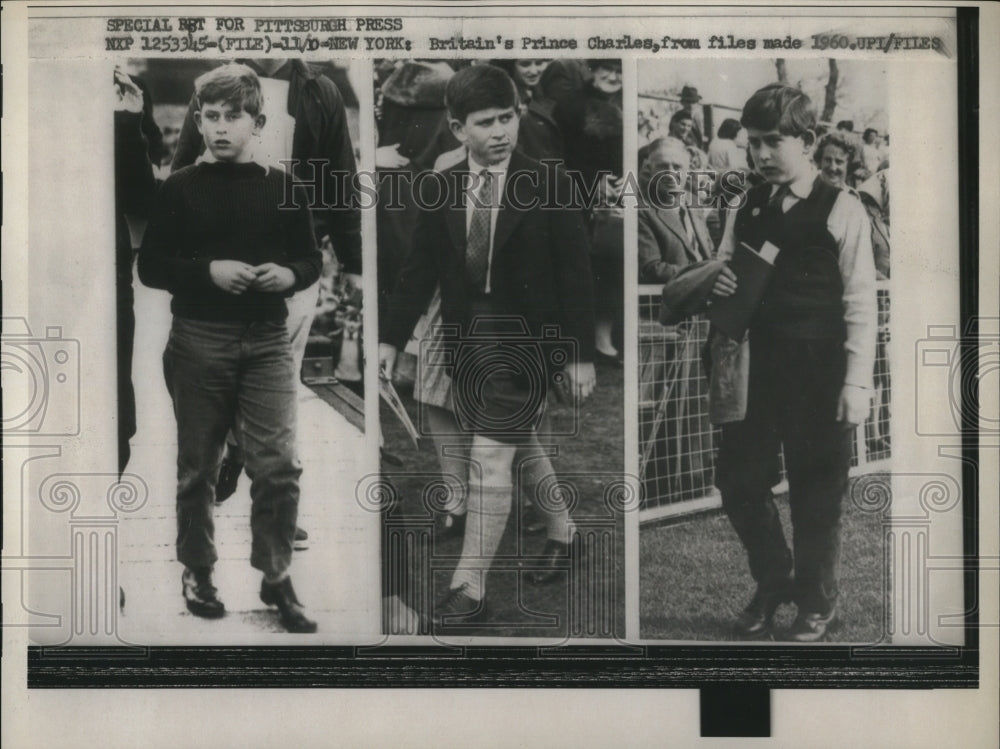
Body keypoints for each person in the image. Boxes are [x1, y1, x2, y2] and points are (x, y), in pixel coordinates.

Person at [378, 64, 596, 629]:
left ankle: (469, 588)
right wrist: (388, 338)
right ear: (456, 128)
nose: (501, 131)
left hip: (528, 340)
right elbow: (417, 269)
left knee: (489, 458)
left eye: (508, 117)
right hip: (463, 334)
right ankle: (564, 534)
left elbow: (577, 276)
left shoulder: (551, 183)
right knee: (516, 444)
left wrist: (578, 354)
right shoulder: (442, 183)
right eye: (485, 122)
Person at [138, 64, 323, 633]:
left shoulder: (283, 187)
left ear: (258, 122)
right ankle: (198, 570)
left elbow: (310, 260)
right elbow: (151, 267)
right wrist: (207, 271)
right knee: (199, 469)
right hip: (199, 341)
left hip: (266, 341)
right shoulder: (180, 187)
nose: (220, 128)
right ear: (198, 119)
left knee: (279, 467)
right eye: (210, 116)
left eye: (232, 116)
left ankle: (275, 575)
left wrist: (288, 276)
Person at [711, 83, 876, 642]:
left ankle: (817, 602)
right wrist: (720, 281)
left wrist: (857, 381)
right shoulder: (746, 203)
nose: (758, 155)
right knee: (737, 482)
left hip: (819, 374)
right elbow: (722, 273)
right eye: (752, 143)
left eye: (771, 142)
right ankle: (775, 577)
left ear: (806, 142)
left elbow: (860, 302)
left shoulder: (843, 207)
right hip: (753, 373)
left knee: (816, 491)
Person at [172, 59, 363, 514]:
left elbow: (341, 178)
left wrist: (353, 263)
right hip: (220, 264)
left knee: (278, 387)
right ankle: (226, 455)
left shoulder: (320, 91)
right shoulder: (215, 85)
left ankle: (276, 501)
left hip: (288, 262)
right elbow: (182, 166)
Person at [114, 67, 161, 476]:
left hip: (106, 260)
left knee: (113, 365)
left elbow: (141, 194)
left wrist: (128, 120)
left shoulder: (124, 88)